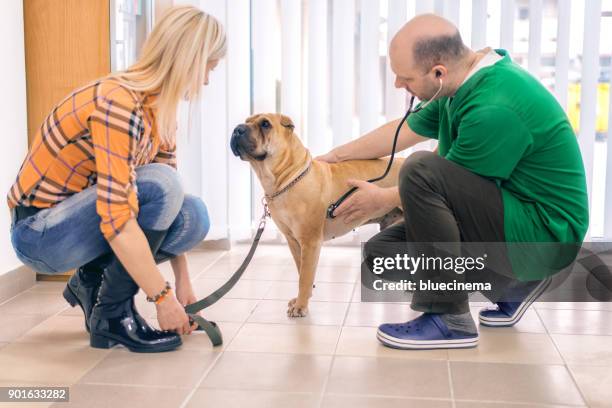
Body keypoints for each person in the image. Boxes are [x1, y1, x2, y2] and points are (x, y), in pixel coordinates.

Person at [317, 14, 588, 349]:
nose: (398, 86)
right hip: (511, 216)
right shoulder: (457, 85)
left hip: (544, 233)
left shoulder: (494, 107)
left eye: (405, 78)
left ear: (438, 72)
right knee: (382, 255)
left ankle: (450, 318)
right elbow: (403, 131)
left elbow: (436, 185)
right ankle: (514, 286)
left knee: (419, 169)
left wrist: (382, 200)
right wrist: (335, 155)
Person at [8, 5, 226, 353]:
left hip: (79, 222)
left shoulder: (160, 113)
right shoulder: (118, 103)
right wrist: (162, 297)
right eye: (208, 69)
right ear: (189, 60)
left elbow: (168, 204)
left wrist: (183, 283)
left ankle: (90, 281)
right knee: (161, 184)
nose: (206, 81)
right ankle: (113, 315)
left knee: (192, 215)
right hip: (39, 234)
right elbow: (118, 217)